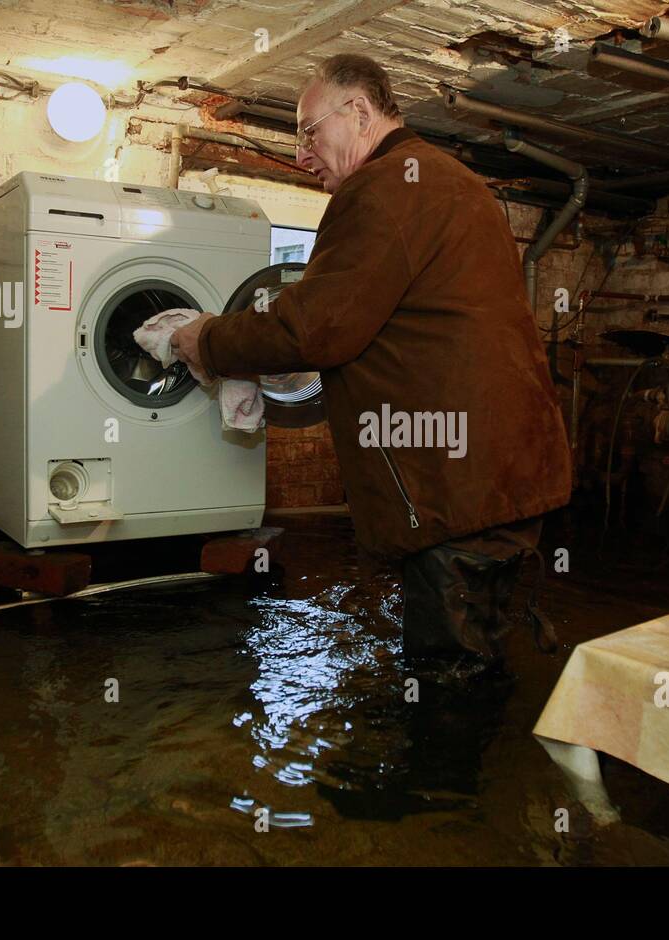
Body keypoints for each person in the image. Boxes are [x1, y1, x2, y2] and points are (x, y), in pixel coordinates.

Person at [171, 54, 571, 669]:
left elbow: (313, 330)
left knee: (449, 681)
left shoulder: (381, 189)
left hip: (452, 486)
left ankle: (446, 759)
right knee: (483, 649)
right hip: (501, 471)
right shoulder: (454, 181)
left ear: (358, 112)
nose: (303, 156)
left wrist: (206, 339)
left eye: (309, 132)